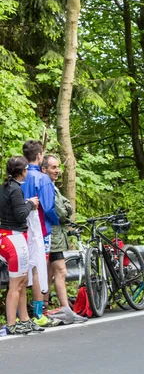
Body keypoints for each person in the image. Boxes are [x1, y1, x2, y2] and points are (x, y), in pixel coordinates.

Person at [41, 155, 87, 324]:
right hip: (52, 234)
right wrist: (65, 211)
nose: (57, 170)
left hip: (54, 235)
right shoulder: (47, 186)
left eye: (58, 167)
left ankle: (45, 310)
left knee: (50, 272)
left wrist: (66, 209)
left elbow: (67, 206)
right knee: (60, 270)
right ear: (44, 169)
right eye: (53, 167)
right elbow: (61, 212)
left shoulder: (53, 187)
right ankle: (66, 310)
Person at [0, 156, 43, 334]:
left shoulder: (5, 187)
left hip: (8, 236)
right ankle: (11, 323)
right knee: (16, 283)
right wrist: (30, 204)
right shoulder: (16, 190)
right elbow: (20, 215)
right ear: (22, 171)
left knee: (23, 281)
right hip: (14, 238)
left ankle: (24, 318)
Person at [21, 140, 60, 327]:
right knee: (38, 269)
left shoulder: (19, 175)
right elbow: (48, 207)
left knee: (21, 270)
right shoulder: (42, 178)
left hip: (20, 228)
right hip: (41, 229)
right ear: (39, 156)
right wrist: (57, 221)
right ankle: (38, 312)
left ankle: (22, 314)